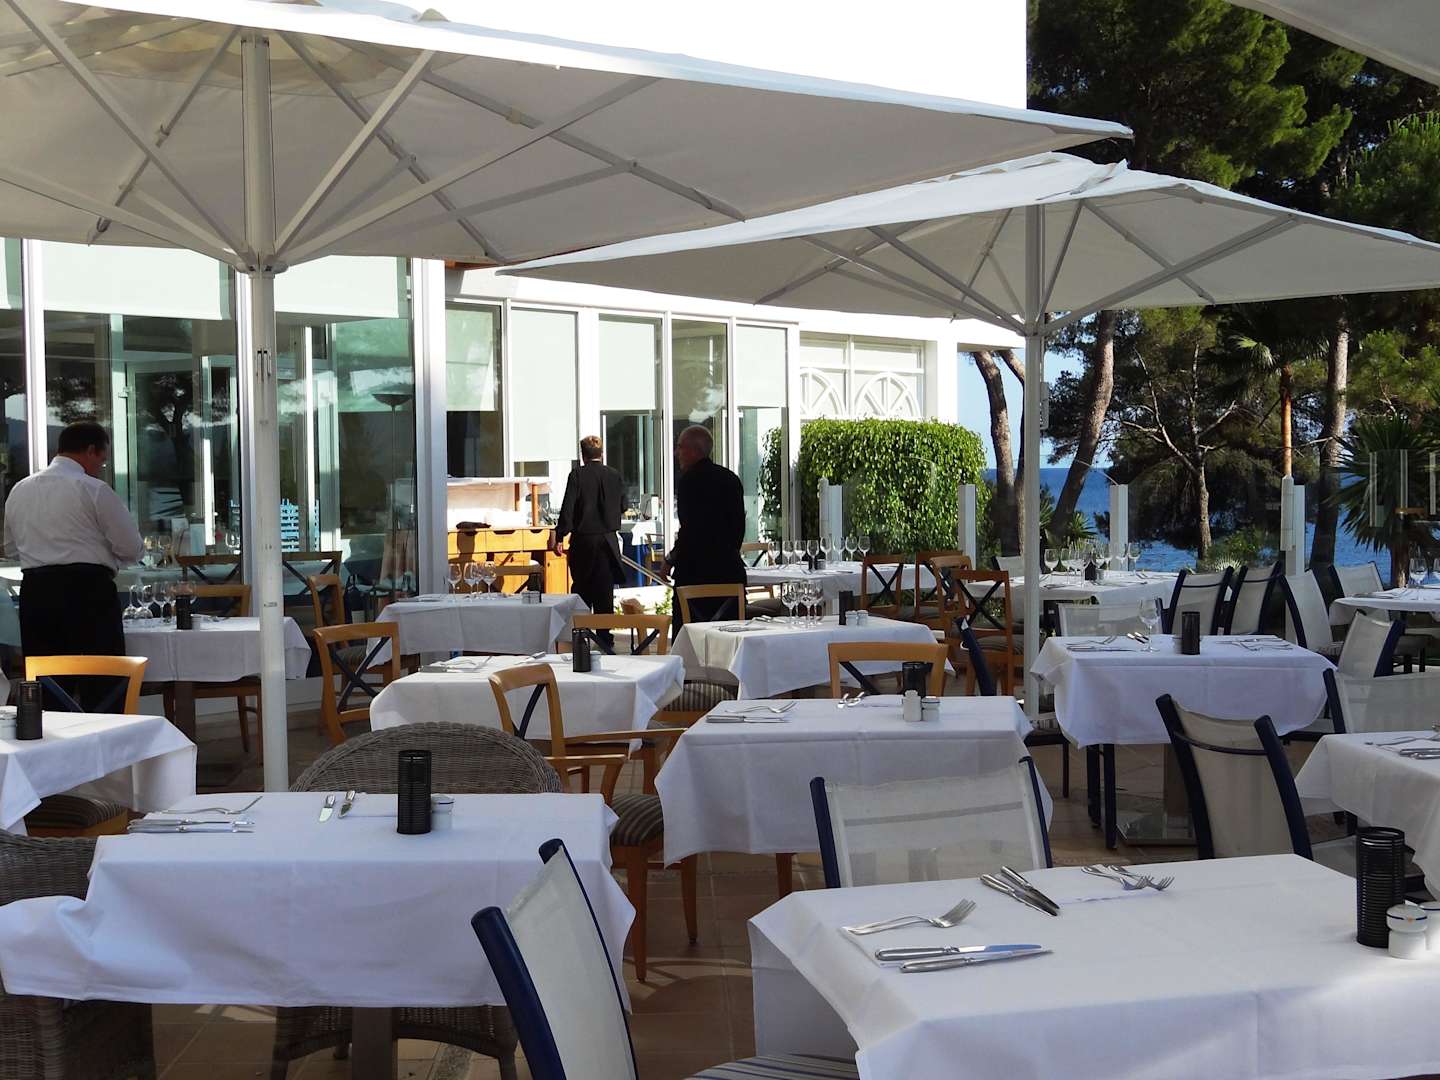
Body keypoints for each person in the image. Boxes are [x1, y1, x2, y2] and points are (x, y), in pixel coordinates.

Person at [5, 421, 143, 707]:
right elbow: (131, 548)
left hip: (37, 593)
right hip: (88, 590)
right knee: (103, 680)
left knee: (47, 682)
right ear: (91, 451)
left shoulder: (20, 490)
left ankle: (50, 734)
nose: (100, 467)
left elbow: (8, 547)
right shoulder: (93, 489)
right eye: (102, 460)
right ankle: (105, 735)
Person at [666, 425, 746, 637]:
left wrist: (670, 560)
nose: (676, 453)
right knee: (732, 636)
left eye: (680, 447)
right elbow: (738, 528)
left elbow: (689, 529)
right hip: (729, 572)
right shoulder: (731, 478)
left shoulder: (689, 480)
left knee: (688, 635)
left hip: (694, 573)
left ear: (694, 450)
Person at [554, 435, 623, 650]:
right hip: (608, 540)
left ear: (582, 455)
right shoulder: (614, 475)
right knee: (605, 591)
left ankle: (581, 637)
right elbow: (623, 505)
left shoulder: (577, 475)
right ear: (602, 453)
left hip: (583, 541)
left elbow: (568, 508)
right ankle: (605, 638)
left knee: (582, 588)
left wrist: (560, 535)